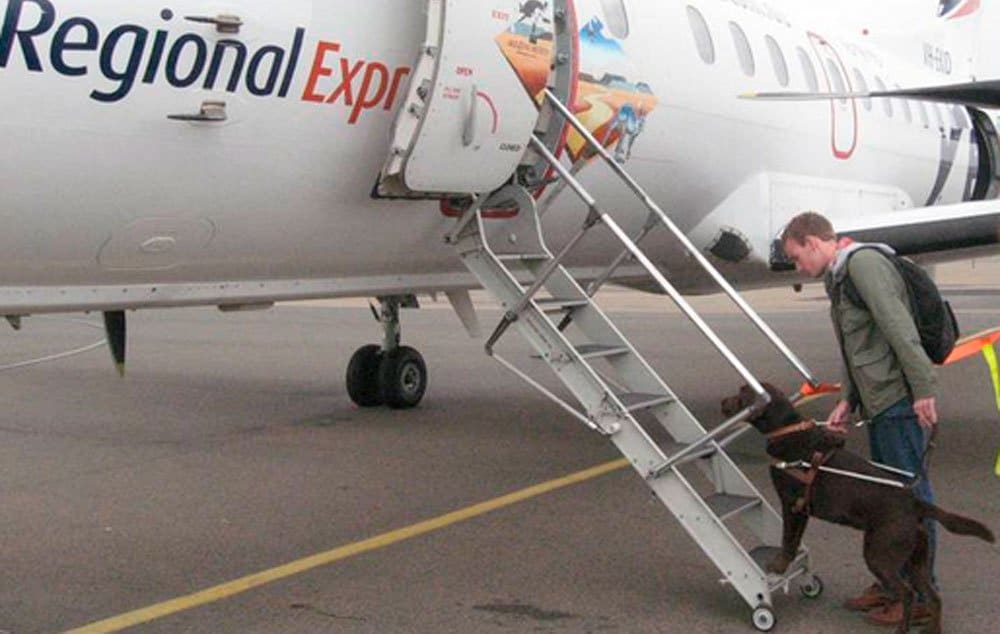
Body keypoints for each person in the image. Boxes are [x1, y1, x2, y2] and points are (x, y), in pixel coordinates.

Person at [780, 211, 938, 627]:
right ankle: (892, 586)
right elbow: (858, 345)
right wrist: (848, 400)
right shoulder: (841, 274)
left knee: (909, 501)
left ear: (814, 242)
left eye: (798, 257)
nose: (799, 268)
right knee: (889, 498)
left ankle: (920, 595)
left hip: (898, 398)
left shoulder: (864, 265)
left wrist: (922, 388)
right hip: (878, 399)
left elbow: (898, 328)